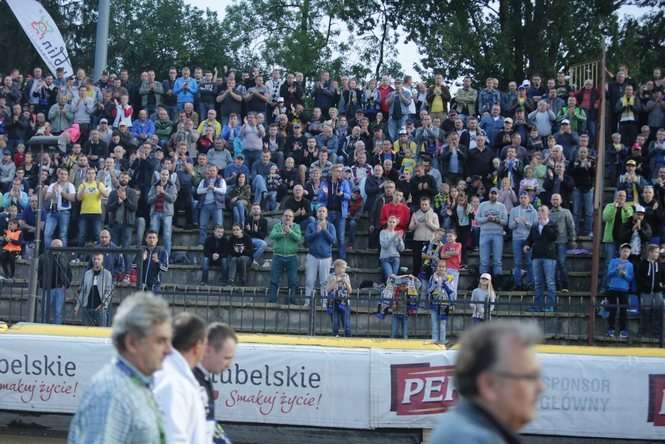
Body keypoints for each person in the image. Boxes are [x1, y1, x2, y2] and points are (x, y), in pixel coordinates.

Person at [68, 292, 172, 444]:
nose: (169, 350)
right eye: (160, 341)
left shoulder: (133, 386)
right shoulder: (112, 394)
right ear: (132, 343)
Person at [427, 321, 544, 444]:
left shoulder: (464, 428)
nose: (541, 387)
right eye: (530, 377)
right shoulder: (472, 438)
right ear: (489, 385)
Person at [153, 312, 208, 444]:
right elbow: (172, 438)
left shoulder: (173, 376)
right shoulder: (174, 384)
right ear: (197, 346)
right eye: (205, 343)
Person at [193, 323, 238, 444]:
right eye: (226, 358)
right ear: (208, 350)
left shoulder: (203, 378)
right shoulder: (193, 381)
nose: (229, 365)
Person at [525, 205, 558, 312]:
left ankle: (550, 306)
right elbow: (530, 239)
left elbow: (554, 237)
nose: (541, 213)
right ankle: (538, 306)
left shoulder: (552, 224)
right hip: (536, 256)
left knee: (550, 282)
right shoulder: (535, 226)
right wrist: (527, 245)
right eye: (539, 211)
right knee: (538, 283)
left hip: (549, 257)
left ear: (548, 213)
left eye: (543, 211)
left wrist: (545, 226)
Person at [268, 210, 303, 304]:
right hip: (277, 256)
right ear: (282, 217)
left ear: (293, 218)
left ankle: (291, 301)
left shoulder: (296, 227)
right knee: (274, 280)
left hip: (292, 257)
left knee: (293, 280)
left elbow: (299, 239)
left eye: (290, 216)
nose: (288, 218)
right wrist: (282, 233)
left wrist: (290, 232)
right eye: (286, 215)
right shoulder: (277, 226)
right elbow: (272, 235)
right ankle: (272, 301)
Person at [304, 206, 337, 306]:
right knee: (310, 281)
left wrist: (325, 230)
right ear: (316, 214)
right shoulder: (311, 225)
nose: (321, 213)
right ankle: (307, 302)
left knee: (324, 282)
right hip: (312, 256)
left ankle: (324, 303)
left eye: (323, 211)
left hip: (326, 257)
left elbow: (333, 241)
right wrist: (316, 232)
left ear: (326, 214)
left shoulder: (331, 226)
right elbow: (306, 239)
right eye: (319, 211)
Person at [477, 187, 508, 281]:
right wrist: (487, 219)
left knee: (497, 261)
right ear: (489, 194)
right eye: (491, 193)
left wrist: (496, 220)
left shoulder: (502, 206)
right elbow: (477, 219)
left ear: (498, 195)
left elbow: (505, 221)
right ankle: (483, 283)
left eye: (495, 193)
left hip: (497, 234)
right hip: (484, 234)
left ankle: (497, 283)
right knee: (484, 261)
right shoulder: (482, 205)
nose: (493, 195)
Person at [75, 252, 113, 327]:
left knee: (101, 330)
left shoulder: (107, 274)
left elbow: (109, 291)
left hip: (100, 308)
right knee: (86, 330)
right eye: (95, 259)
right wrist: (77, 306)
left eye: (99, 259)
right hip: (87, 307)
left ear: (102, 260)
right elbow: (83, 291)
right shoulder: (87, 273)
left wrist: (103, 304)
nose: (96, 261)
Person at [38, 239, 72, 324]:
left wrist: (66, 285)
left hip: (60, 288)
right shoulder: (43, 257)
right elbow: (39, 272)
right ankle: (43, 327)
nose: (60, 248)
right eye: (58, 246)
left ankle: (56, 328)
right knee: (45, 311)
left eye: (61, 246)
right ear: (52, 245)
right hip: (47, 288)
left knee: (58, 312)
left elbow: (69, 272)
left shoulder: (64, 258)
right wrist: (42, 283)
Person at [509, 192, 537, 290]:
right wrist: (516, 222)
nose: (523, 199)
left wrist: (526, 223)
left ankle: (531, 284)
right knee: (517, 262)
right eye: (521, 198)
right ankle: (517, 284)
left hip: (528, 239)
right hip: (516, 238)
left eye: (525, 197)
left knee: (529, 262)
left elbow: (535, 227)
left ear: (529, 199)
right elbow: (510, 226)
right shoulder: (514, 210)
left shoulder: (533, 211)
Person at [606, 243, 634, 339]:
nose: (626, 253)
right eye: (624, 251)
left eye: (628, 251)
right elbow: (608, 274)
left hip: (624, 289)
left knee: (623, 311)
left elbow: (630, 279)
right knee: (612, 310)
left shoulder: (630, 265)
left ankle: (623, 330)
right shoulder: (613, 261)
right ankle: (611, 329)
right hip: (612, 288)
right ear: (620, 251)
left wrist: (625, 275)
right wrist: (616, 269)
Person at [549, 193, 576, 293]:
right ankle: (555, 286)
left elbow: (571, 226)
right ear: (551, 201)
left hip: (562, 241)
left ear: (560, 201)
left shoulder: (566, 212)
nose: (555, 201)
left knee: (561, 263)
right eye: (553, 199)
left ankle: (565, 286)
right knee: (553, 265)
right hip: (551, 242)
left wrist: (572, 239)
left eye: (557, 199)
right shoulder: (548, 213)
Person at [148, 168, 177, 257]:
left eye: (166, 175)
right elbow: (149, 200)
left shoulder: (172, 186)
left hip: (167, 214)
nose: (164, 176)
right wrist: (156, 195)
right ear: (160, 175)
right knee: (153, 236)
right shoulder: (154, 186)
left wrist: (164, 193)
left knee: (167, 237)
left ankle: (166, 258)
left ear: (168, 176)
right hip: (155, 213)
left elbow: (173, 199)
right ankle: (152, 256)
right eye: (163, 174)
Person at [76, 168, 109, 246]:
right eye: (89, 173)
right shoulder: (82, 185)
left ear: (95, 175)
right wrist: (83, 189)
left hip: (96, 213)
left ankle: (100, 251)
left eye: (93, 173)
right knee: (82, 234)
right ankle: (79, 252)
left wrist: (99, 188)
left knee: (98, 234)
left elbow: (106, 195)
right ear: (86, 175)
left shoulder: (99, 184)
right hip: (84, 212)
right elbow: (79, 198)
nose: (91, 175)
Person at [637, 245, 664, 338]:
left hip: (658, 292)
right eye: (655, 252)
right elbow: (639, 277)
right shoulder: (642, 264)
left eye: (658, 252)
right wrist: (645, 286)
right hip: (646, 292)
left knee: (658, 312)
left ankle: (657, 333)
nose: (657, 254)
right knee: (645, 312)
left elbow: (663, 276)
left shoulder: (660, 264)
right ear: (649, 252)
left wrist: (662, 284)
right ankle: (643, 332)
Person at [44, 168, 76, 247]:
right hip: (53, 211)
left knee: (63, 234)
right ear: (58, 175)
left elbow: (73, 198)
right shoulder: (53, 185)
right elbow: (46, 197)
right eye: (61, 174)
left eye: (65, 174)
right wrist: (53, 191)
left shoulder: (70, 186)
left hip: (64, 212)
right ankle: (48, 252)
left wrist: (61, 192)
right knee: (47, 233)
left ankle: (63, 253)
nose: (63, 176)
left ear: (68, 176)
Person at [409, 196, 440, 277]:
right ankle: (415, 280)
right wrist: (416, 224)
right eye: (422, 204)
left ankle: (428, 280)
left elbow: (437, 228)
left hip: (430, 241)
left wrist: (429, 223)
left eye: (426, 204)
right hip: (417, 240)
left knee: (428, 262)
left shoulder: (434, 215)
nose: (424, 206)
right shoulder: (415, 214)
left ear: (429, 205)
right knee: (416, 262)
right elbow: (410, 228)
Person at [197, 165, 227, 245]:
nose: (212, 172)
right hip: (205, 205)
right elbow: (198, 191)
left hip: (216, 205)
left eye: (213, 170)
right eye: (210, 170)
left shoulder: (221, 180)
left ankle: (219, 244)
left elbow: (224, 190)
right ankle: (202, 243)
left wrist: (214, 188)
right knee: (202, 226)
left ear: (217, 172)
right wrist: (207, 189)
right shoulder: (204, 180)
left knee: (219, 225)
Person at [427, 260, 455, 344]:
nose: (441, 268)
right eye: (439, 266)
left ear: (446, 268)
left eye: (443, 267)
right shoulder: (432, 277)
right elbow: (429, 290)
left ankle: (442, 341)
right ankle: (435, 340)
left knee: (442, 324)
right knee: (434, 324)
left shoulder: (449, 278)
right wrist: (435, 284)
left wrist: (445, 282)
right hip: (434, 303)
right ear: (436, 267)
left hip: (444, 304)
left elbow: (452, 291)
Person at [325, 259, 352, 337]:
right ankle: (335, 336)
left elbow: (350, 291)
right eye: (343, 267)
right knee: (335, 323)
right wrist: (336, 281)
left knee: (347, 324)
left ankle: (348, 338)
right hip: (333, 303)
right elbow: (328, 290)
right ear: (336, 267)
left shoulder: (346, 276)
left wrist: (346, 282)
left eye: (345, 268)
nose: (344, 270)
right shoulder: (330, 276)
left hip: (345, 302)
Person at [379, 215, 405, 281]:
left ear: (396, 224)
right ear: (387, 222)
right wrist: (394, 236)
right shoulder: (383, 232)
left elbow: (401, 249)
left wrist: (400, 240)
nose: (391, 224)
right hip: (385, 258)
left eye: (393, 222)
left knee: (394, 280)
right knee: (390, 278)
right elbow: (385, 245)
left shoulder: (397, 233)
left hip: (395, 258)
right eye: (390, 222)